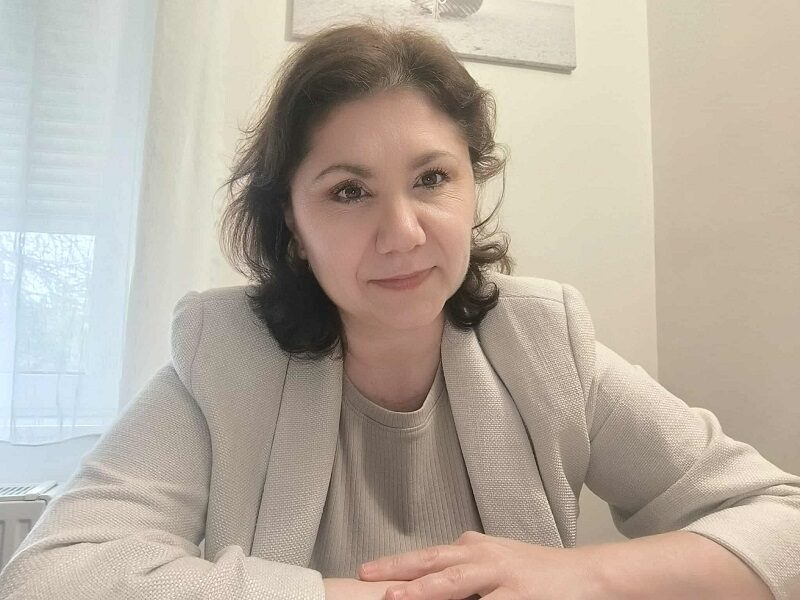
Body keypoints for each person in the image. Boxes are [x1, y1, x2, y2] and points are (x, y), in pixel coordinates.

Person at [1, 21, 798, 600]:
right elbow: (50, 576)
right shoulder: (225, 356)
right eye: (349, 191)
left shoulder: (546, 342)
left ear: (473, 185)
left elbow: (780, 518)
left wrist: (578, 574)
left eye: (432, 179)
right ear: (293, 227)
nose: (404, 233)